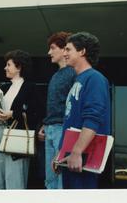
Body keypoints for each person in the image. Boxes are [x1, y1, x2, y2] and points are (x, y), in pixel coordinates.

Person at [54, 32, 111, 189]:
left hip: (82, 159)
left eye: (68, 49)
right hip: (71, 157)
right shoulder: (78, 80)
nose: (64, 53)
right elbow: (70, 121)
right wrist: (60, 154)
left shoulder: (95, 78)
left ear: (82, 51)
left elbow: (93, 119)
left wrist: (77, 152)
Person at [0, 49, 38, 189]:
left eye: (9, 65)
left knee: (15, 176)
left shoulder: (30, 88)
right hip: (0, 132)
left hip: (18, 135)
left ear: (19, 67)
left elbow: (35, 112)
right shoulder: (4, 88)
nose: (5, 68)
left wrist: (13, 114)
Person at [37, 32, 76, 189]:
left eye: (52, 48)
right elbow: (54, 105)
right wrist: (44, 125)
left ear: (63, 49)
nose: (49, 52)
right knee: (50, 179)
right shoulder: (55, 76)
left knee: (61, 179)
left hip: (63, 131)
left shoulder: (74, 73)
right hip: (50, 130)